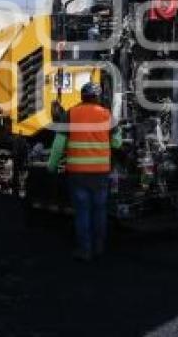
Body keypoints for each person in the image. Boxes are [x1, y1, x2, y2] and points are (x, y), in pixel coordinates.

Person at [47, 82, 120, 261]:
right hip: (101, 173)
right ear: (98, 97)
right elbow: (117, 143)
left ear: (82, 97)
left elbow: (59, 143)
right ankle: (99, 247)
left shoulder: (71, 114)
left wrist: (52, 165)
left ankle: (85, 250)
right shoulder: (106, 115)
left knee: (83, 212)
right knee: (100, 210)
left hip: (78, 174)